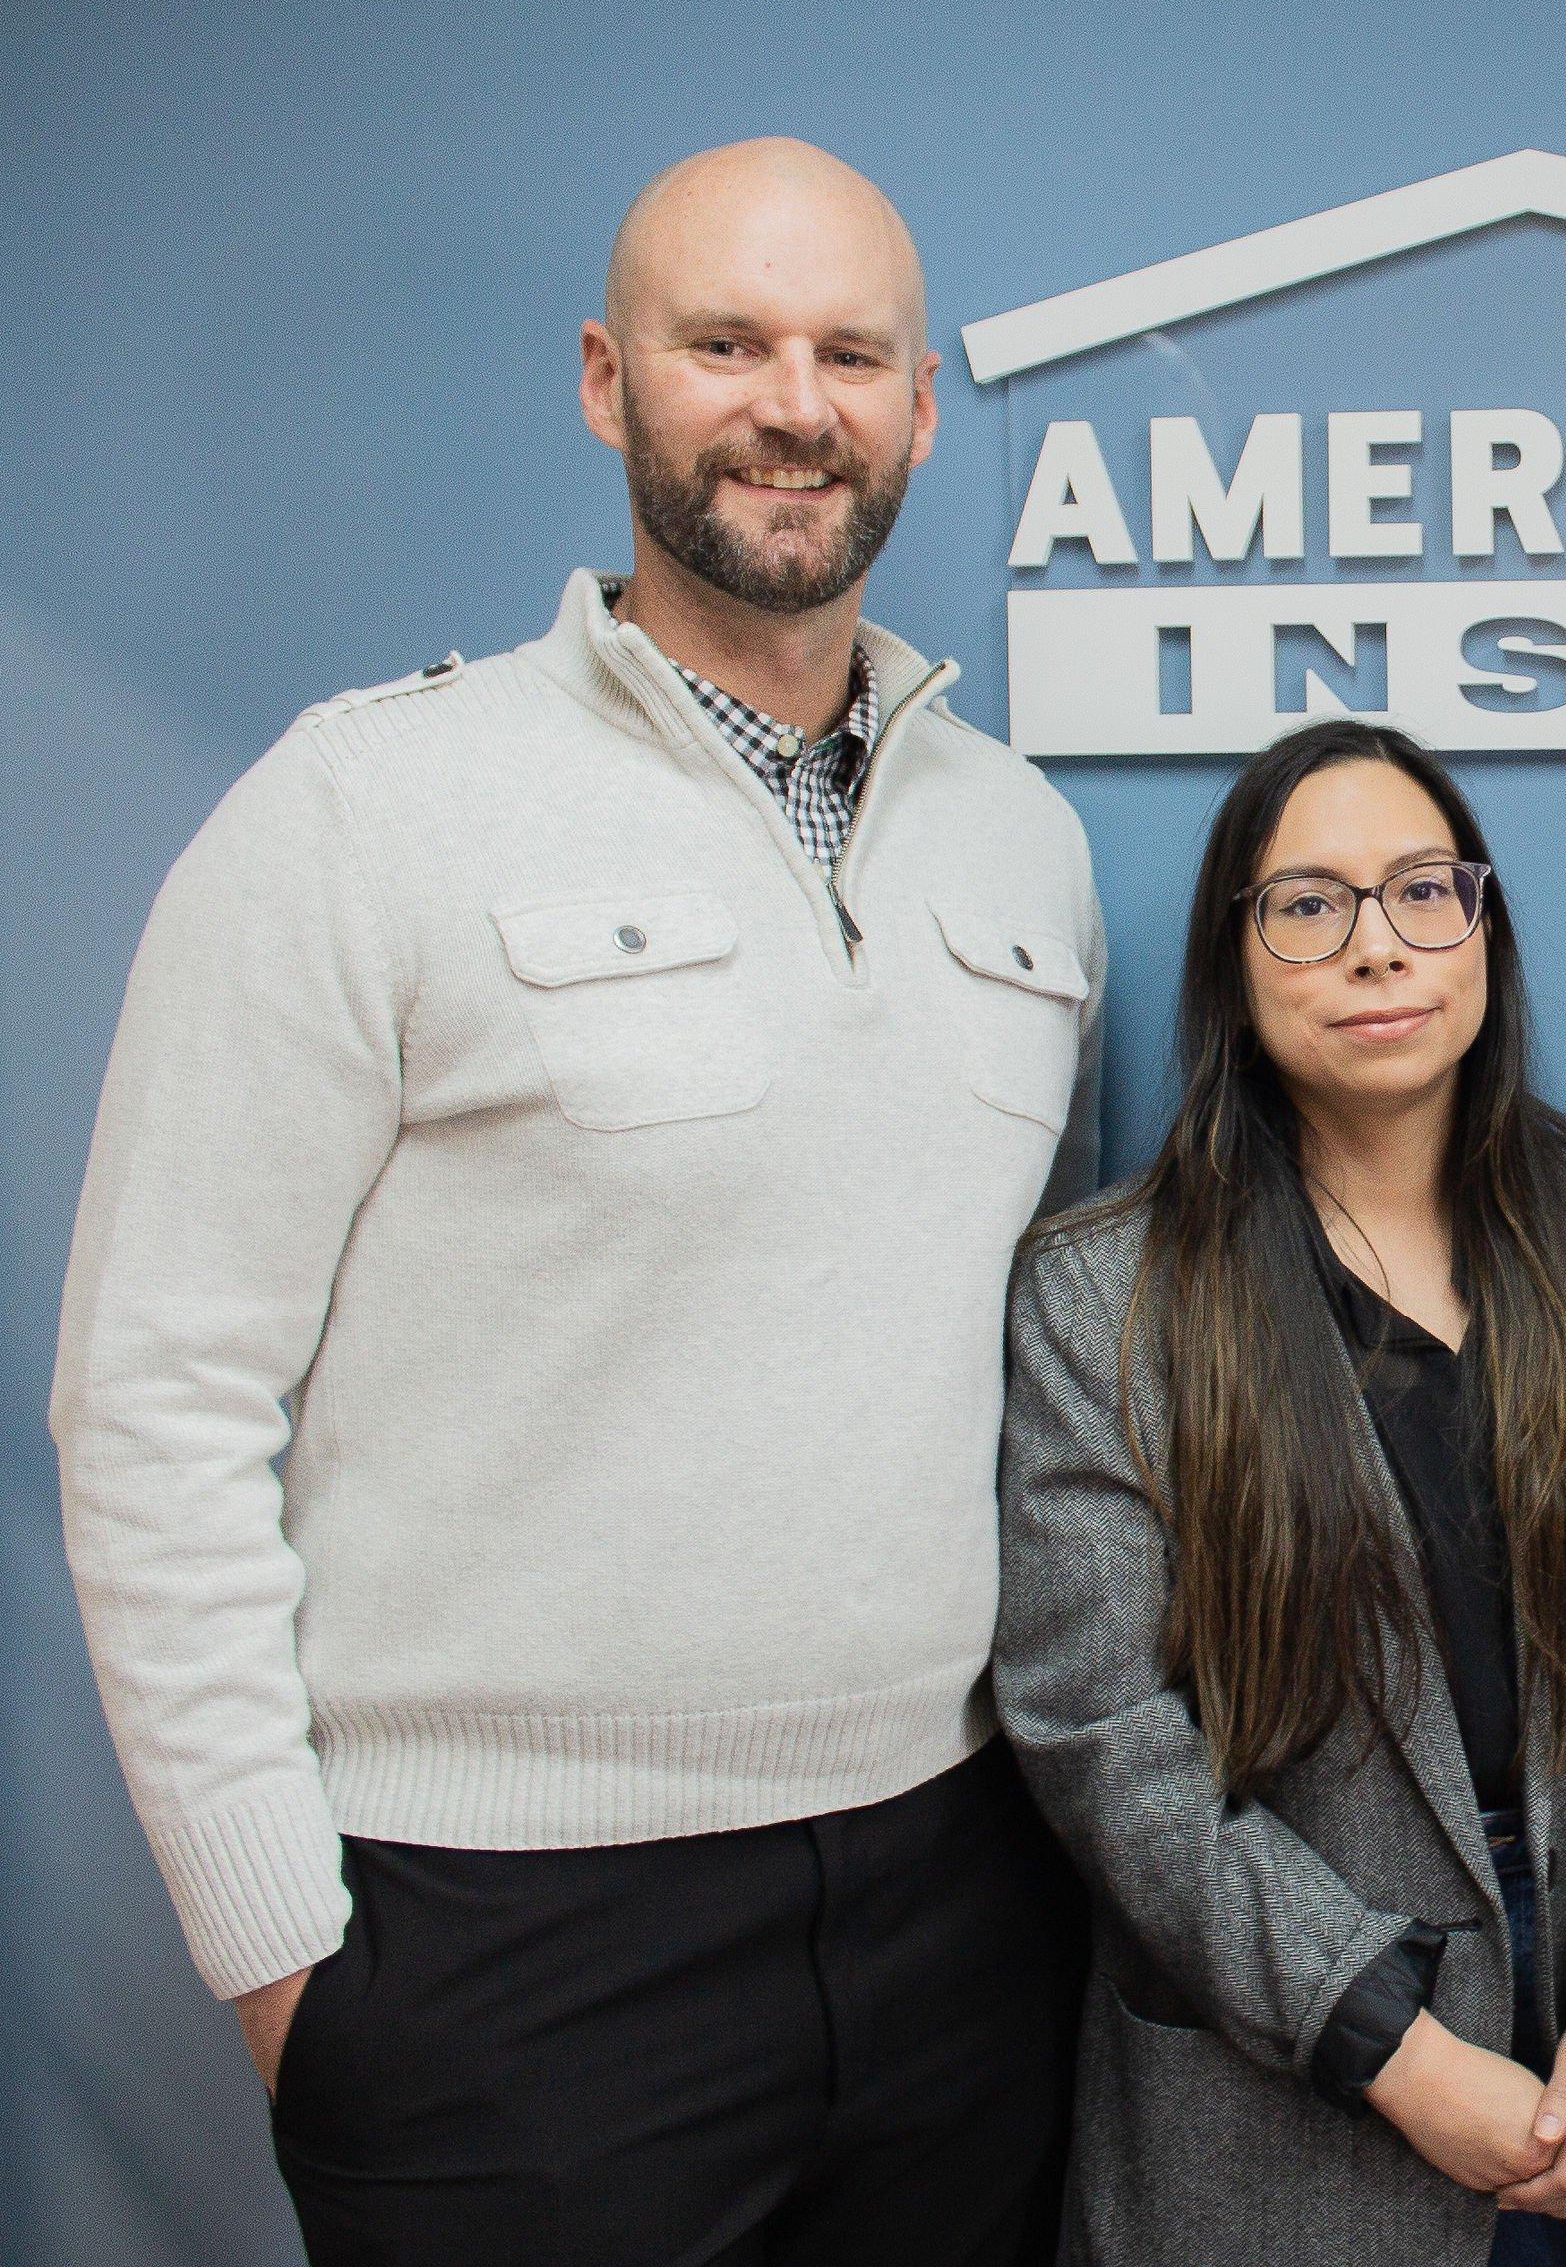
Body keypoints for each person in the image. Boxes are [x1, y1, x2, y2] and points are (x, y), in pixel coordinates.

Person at [46, 139, 1105, 2261]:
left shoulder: (1021, 844)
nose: (790, 404)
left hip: (960, 1902)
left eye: (846, 353)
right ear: (612, 382)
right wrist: (286, 1969)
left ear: (913, 406)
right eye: (726, 345)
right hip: (501, 1945)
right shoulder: (360, 810)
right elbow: (152, 1406)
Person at [995, 722, 1566, 2267]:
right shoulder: (1108, 1294)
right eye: (1309, 905)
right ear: (1238, 957)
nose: (1376, 949)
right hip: (1285, 2087)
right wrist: (1389, 2047)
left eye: (1424, 891)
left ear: (1483, 930)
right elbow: (1101, 1735)